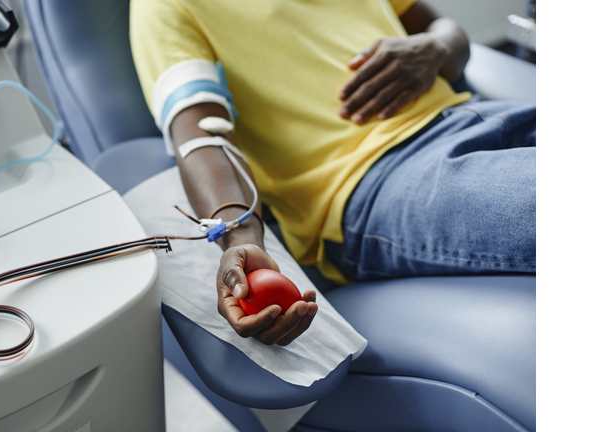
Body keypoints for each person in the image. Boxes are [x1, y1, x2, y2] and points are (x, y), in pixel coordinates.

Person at [130, 0, 536, 346]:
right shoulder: (165, 7)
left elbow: (440, 27)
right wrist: (241, 237)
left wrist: (432, 48)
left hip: (473, 113)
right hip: (376, 180)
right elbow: (202, 138)